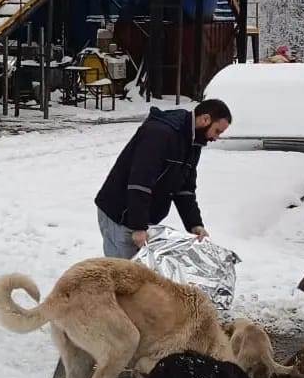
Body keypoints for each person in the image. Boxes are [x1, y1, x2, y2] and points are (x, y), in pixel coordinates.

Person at [94, 99, 232, 259]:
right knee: (123, 276)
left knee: (139, 274)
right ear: (205, 119)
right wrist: (138, 226)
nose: (216, 137)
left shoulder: (193, 143)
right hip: (121, 213)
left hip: (140, 216)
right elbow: (140, 182)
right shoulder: (160, 133)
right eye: (217, 131)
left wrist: (195, 224)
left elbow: (185, 188)